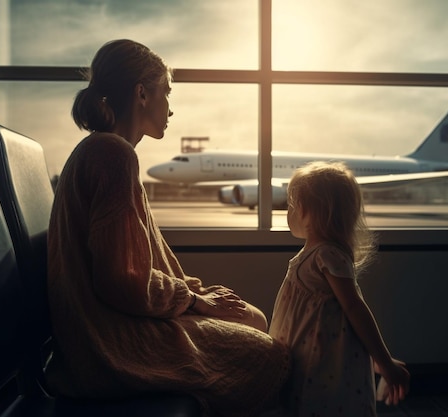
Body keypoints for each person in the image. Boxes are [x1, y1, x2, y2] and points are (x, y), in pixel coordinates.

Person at [45, 39, 289, 417]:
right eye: (166, 92)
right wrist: (191, 299)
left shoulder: (100, 150)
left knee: (253, 317)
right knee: (272, 356)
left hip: (104, 324)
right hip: (109, 344)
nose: (170, 107)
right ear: (142, 94)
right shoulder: (113, 156)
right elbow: (121, 280)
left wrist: (189, 293)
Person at [268, 161, 410, 416]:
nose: (288, 212)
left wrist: (383, 360)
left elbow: (355, 308)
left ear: (312, 212)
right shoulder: (313, 252)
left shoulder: (328, 255)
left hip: (322, 360)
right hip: (305, 353)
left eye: (292, 205)